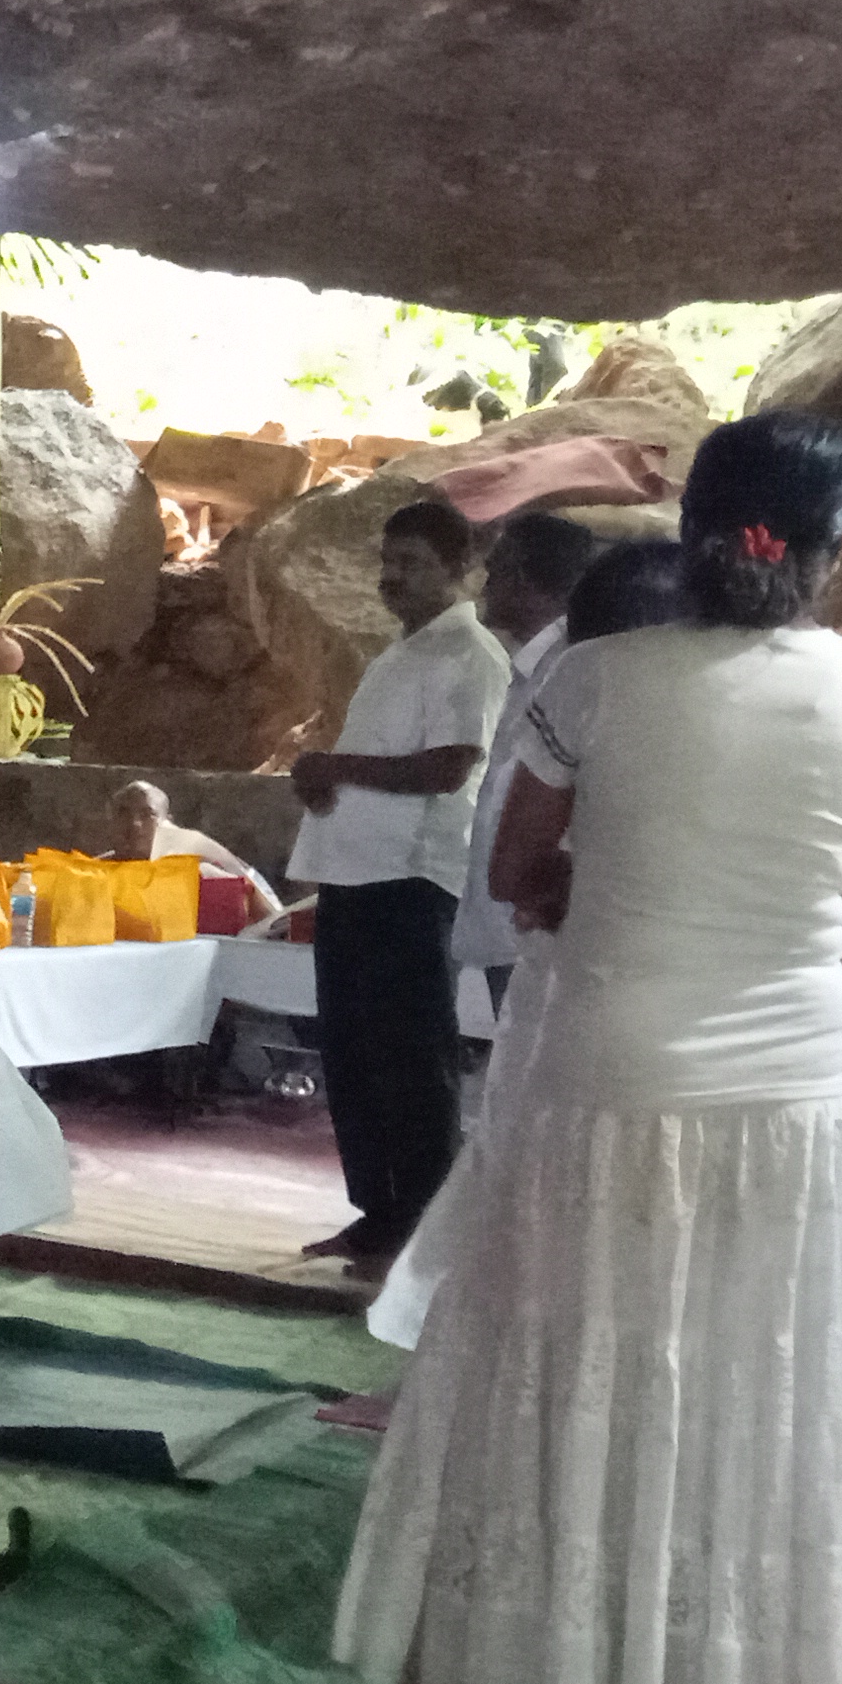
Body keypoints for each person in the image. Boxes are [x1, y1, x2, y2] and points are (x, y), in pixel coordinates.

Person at [323, 410, 842, 1684]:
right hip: (787, 1103)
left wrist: (622, 894)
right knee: (723, 1398)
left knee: (532, 1373)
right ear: (833, 550)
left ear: (692, 532)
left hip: (610, 1072)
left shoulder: (593, 677)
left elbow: (520, 871)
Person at [363, 535, 698, 1354]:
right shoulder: (609, 689)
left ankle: (515, 1339)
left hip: (574, 956)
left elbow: (522, 856)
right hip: (576, 949)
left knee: (540, 1150)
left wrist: (549, 883)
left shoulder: (587, 683)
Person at [284, 500, 513, 1274]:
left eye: (413, 563)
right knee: (353, 1053)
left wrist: (334, 766)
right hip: (355, 874)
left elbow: (451, 766)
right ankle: (378, 1215)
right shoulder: (400, 653)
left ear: (460, 568)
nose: (394, 577)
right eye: (389, 561)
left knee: (411, 1058)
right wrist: (326, 777)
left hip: (412, 879)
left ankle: (423, 1230)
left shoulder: (469, 654)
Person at [450, 511, 608, 1021]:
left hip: (533, 915)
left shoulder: (569, 664)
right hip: (509, 909)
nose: (485, 586)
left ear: (520, 577)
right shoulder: (529, 663)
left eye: (495, 572)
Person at [101, 779, 268, 897]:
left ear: (167, 823)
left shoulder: (201, 874)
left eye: (147, 814)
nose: (135, 823)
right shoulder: (96, 873)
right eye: (123, 813)